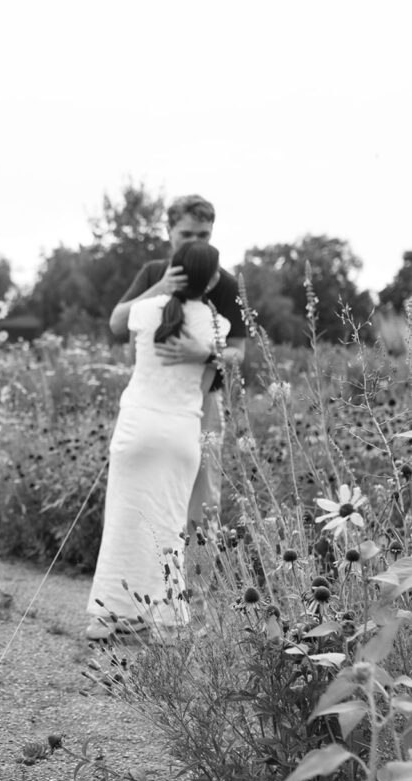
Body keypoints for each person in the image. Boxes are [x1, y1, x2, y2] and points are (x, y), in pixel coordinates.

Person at [86, 241, 241, 640]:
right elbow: (207, 385)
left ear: (174, 270)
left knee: (122, 520)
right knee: (169, 526)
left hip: (135, 425)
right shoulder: (218, 326)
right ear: (211, 280)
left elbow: (129, 348)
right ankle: (166, 623)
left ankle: (105, 618)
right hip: (179, 431)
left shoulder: (142, 311)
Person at [109, 194, 246, 536]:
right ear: (169, 232)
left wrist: (203, 353)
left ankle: (198, 568)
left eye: (203, 235)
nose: (195, 241)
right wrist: (161, 288)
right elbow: (117, 323)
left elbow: (238, 353)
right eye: (187, 234)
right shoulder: (153, 273)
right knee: (143, 488)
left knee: (201, 493)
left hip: (203, 403)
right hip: (150, 400)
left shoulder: (225, 283)